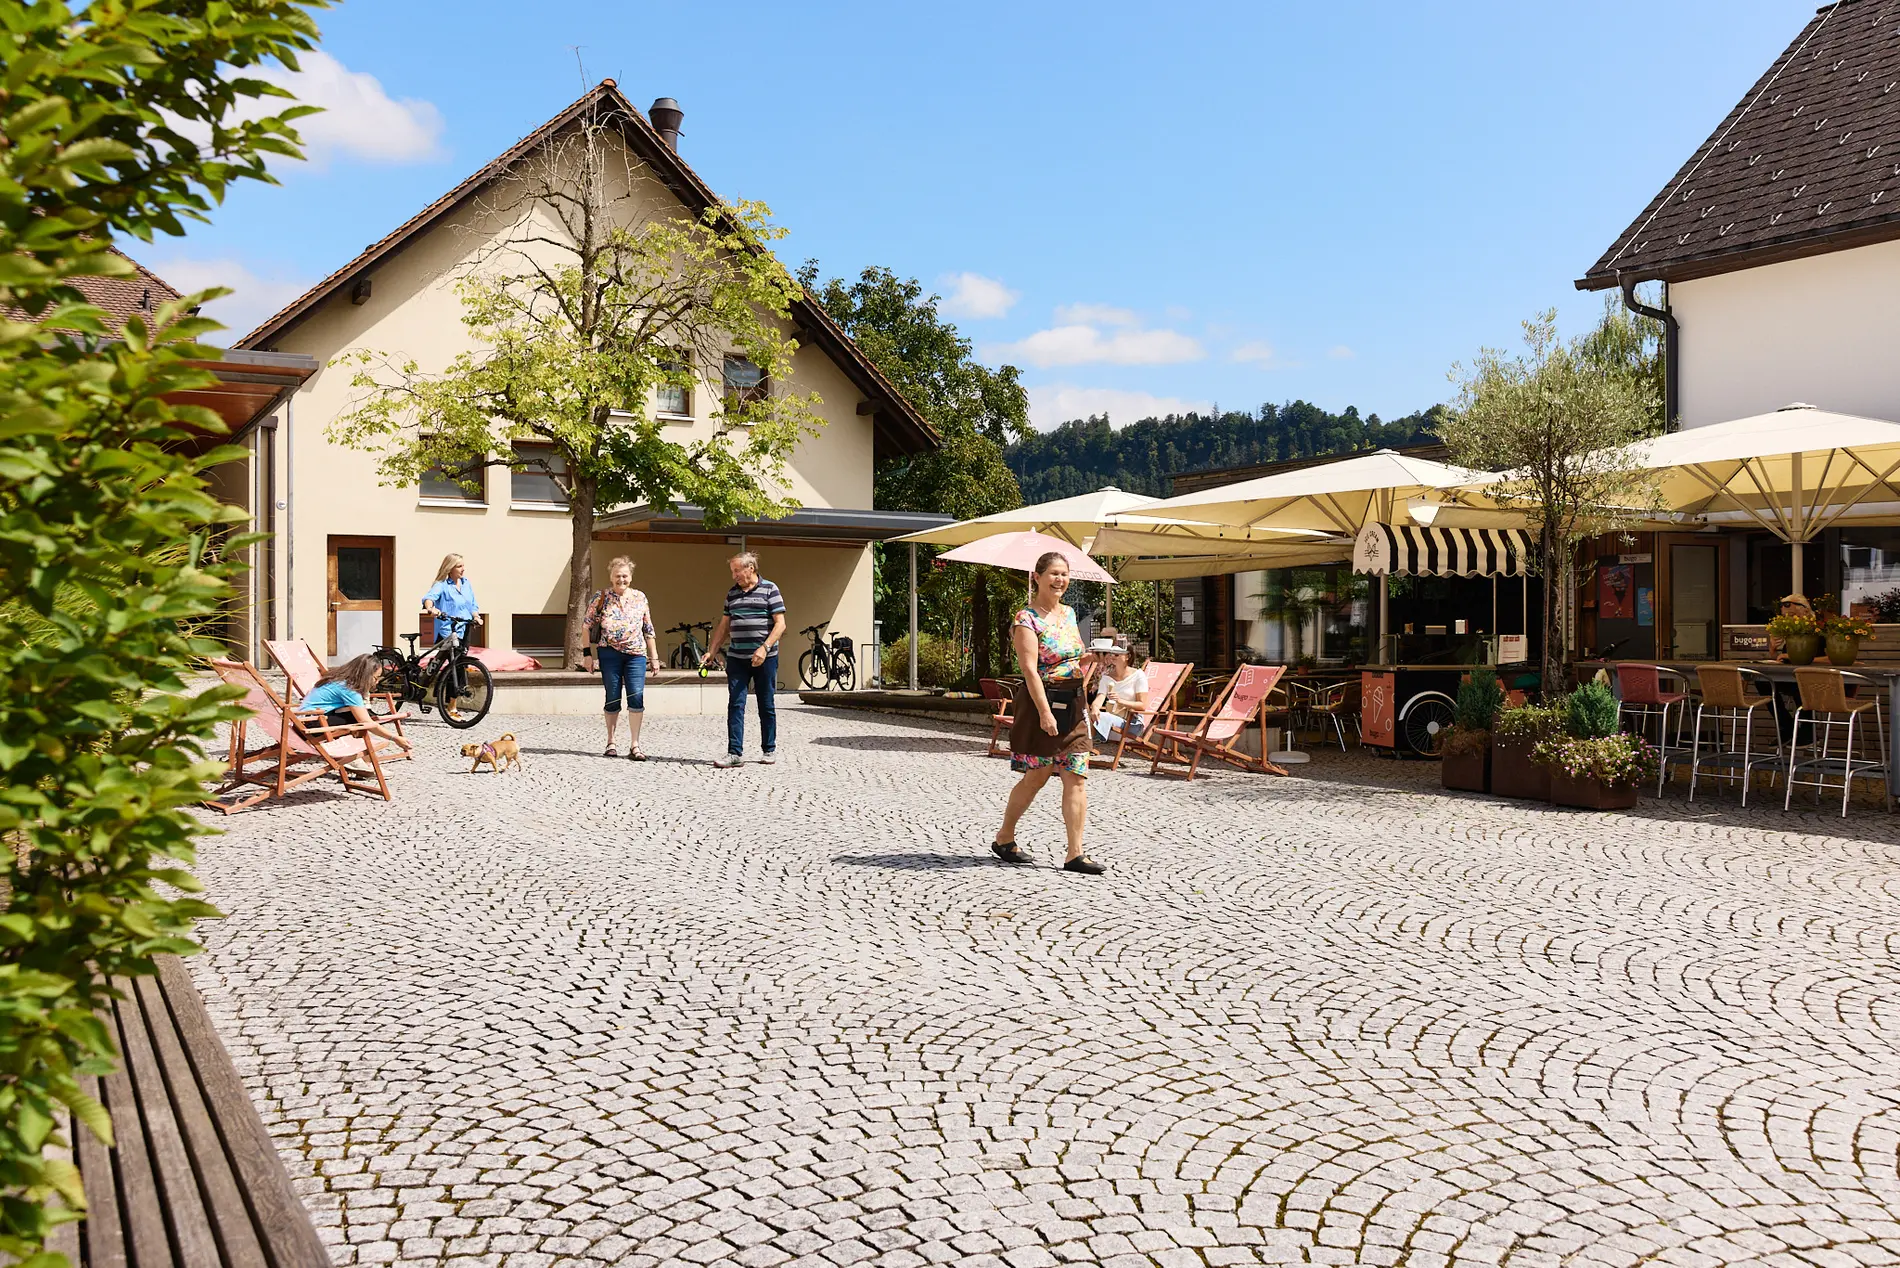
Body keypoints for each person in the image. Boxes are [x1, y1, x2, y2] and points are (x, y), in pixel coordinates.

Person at [992, 552, 1106, 875]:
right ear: (1037, 577)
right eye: (1054, 574)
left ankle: (1075, 854)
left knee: (1076, 775)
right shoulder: (1025, 619)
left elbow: (1072, 657)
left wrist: (1089, 660)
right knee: (1036, 777)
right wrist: (1044, 713)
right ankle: (1004, 837)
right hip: (1043, 703)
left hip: (1073, 704)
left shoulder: (1069, 614)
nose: (1060, 580)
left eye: (1065, 574)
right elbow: (1030, 670)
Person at [705, 551, 786, 767]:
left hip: (765, 658)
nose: (734, 576)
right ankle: (734, 753)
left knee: (766, 704)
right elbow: (724, 626)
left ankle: (769, 749)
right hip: (737, 658)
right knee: (735, 704)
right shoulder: (732, 594)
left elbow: (780, 624)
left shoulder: (770, 589)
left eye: (736, 571)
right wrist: (712, 651)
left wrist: (764, 648)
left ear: (750, 568)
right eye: (733, 571)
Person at [580, 556, 659, 760]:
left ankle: (635, 745)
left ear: (630, 577)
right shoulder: (601, 597)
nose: (621, 579)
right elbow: (586, 626)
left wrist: (654, 657)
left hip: (636, 655)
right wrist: (587, 655)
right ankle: (611, 741)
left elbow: (648, 629)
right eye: (617, 576)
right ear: (611, 577)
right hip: (609, 654)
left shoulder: (640, 597)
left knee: (636, 697)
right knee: (612, 696)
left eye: (624, 576)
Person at [300, 653, 414, 765]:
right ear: (366, 675)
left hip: (302, 722)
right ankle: (353, 758)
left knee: (353, 714)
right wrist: (394, 738)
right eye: (375, 678)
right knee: (357, 718)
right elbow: (365, 722)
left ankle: (356, 757)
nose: (377, 682)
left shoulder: (337, 680)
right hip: (312, 725)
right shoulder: (348, 688)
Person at [1089, 629, 1150, 746]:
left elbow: (1142, 705)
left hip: (1132, 722)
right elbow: (1100, 698)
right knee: (1088, 715)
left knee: (1103, 716)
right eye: (1111, 654)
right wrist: (1095, 707)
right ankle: (1085, 747)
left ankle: (1088, 746)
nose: (1112, 657)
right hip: (1112, 718)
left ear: (1128, 656)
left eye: (1117, 654)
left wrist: (1120, 701)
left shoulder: (1138, 675)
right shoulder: (1106, 678)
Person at [421, 553, 480, 643]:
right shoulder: (442, 584)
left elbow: (472, 605)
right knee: (449, 656)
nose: (463, 569)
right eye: (459, 566)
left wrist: (476, 617)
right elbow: (429, 598)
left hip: (465, 630)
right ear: (450, 568)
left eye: (463, 566)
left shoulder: (466, 584)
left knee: (462, 657)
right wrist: (430, 608)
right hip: (448, 632)